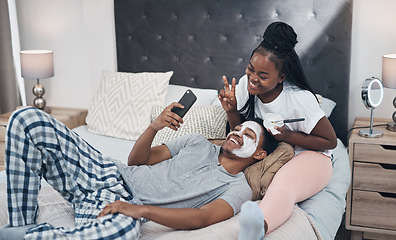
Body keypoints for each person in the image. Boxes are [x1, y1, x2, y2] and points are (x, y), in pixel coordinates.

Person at [1, 102, 278, 239]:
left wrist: (140, 211)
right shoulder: (197, 142)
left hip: (122, 204)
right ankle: (21, 224)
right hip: (105, 171)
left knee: (120, 231)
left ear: (259, 154)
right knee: (27, 118)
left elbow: (201, 218)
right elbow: (136, 161)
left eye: (249, 135)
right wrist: (154, 126)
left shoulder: (239, 187)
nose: (238, 133)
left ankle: (30, 237)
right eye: (238, 128)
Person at [218, 21, 337, 239]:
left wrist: (289, 136)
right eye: (250, 69)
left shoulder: (299, 99)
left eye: (263, 76)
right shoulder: (245, 85)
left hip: (311, 155)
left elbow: (330, 142)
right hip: (274, 152)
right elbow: (238, 128)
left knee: (284, 182)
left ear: (281, 77)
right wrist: (232, 109)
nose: (253, 79)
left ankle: (257, 228)